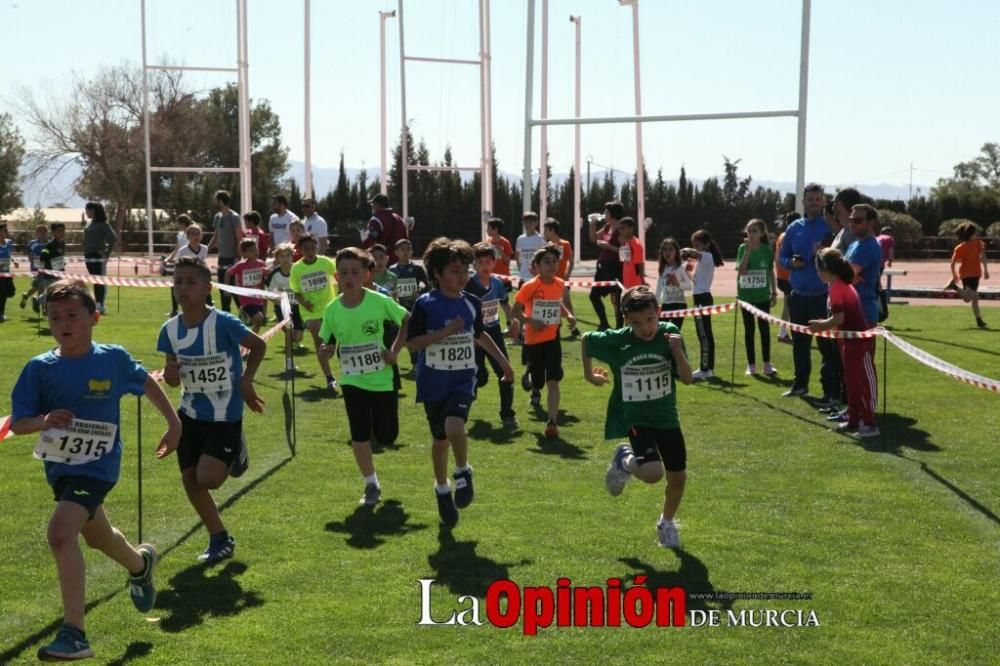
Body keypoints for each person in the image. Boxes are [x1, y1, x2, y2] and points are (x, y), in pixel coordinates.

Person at [11, 279, 181, 661]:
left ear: (94, 318)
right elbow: (19, 423)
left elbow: (145, 384)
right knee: (98, 537)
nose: (64, 324)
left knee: (60, 533)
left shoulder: (112, 359)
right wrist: (44, 421)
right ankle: (140, 564)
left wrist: (174, 424)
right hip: (61, 470)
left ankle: (75, 634)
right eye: (55, 318)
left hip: (99, 467)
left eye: (72, 315)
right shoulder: (39, 369)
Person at [158, 257, 267, 563]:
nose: (183, 288)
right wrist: (171, 375)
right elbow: (169, 374)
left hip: (225, 415)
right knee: (190, 480)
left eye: (191, 282)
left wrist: (246, 381)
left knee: (208, 478)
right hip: (189, 414)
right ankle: (219, 537)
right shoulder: (169, 330)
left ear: (207, 288)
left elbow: (258, 346)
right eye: (178, 281)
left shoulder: (223, 323)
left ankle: (236, 452)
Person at [406, 237, 513, 527]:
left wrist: (504, 362)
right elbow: (412, 345)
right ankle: (442, 490)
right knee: (440, 442)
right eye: (454, 270)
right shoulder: (425, 305)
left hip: (463, 379)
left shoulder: (472, 303)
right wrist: (444, 332)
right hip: (432, 384)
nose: (461, 275)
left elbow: (480, 335)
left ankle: (463, 471)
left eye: (464, 270)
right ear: (438, 274)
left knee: (455, 425)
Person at [583, 285, 694, 548]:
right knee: (653, 473)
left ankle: (666, 523)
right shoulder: (620, 339)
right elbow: (587, 340)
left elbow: (688, 378)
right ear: (626, 321)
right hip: (635, 418)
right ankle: (626, 460)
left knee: (678, 477)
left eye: (650, 320)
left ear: (659, 312)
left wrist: (677, 352)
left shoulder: (669, 335)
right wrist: (589, 375)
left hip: (667, 417)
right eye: (637, 323)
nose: (646, 328)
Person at [316, 247, 409, 505]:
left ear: (367, 274)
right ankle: (370, 484)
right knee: (359, 433)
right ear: (336, 276)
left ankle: (378, 436)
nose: (349, 277)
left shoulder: (379, 301)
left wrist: (394, 350)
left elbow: (406, 320)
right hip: (352, 379)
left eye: (355, 272)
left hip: (382, 379)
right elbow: (329, 340)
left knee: (388, 435)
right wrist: (326, 350)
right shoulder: (332, 309)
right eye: (344, 272)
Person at [778, 183, 841, 400]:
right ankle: (800, 385)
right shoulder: (794, 227)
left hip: (823, 296)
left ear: (823, 201)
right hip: (798, 296)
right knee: (800, 345)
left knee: (826, 346)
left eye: (818, 199)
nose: (814, 202)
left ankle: (829, 391)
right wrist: (791, 263)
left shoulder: (830, 228)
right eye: (810, 199)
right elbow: (782, 257)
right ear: (803, 201)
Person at [808, 249, 879, 439]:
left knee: (858, 383)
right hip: (848, 341)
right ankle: (854, 420)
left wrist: (821, 325)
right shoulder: (837, 285)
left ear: (826, 269)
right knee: (850, 382)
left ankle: (870, 423)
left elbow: (839, 317)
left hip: (857, 342)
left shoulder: (838, 287)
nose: (817, 273)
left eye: (818, 269)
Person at [511, 245, 576, 438]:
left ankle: (552, 422)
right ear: (537, 266)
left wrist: (569, 315)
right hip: (533, 340)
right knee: (538, 382)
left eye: (554, 261)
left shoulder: (559, 284)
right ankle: (530, 376)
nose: (551, 265)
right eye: (546, 261)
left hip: (553, 339)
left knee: (553, 381)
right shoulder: (530, 286)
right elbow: (515, 312)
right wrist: (531, 321)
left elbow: (556, 304)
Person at [465, 241, 519, 428]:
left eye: (488, 262)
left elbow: (505, 304)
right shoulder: (468, 285)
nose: (485, 266)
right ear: (474, 265)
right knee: (478, 377)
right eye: (480, 263)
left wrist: (512, 322)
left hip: (493, 331)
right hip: (473, 335)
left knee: (505, 371)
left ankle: (507, 415)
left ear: (494, 263)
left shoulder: (497, 284)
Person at [290, 233, 340, 391]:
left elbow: (339, 276)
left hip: (329, 307)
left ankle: (329, 354)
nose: (310, 251)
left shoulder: (325, 262)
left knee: (328, 349)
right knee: (319, 338)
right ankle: (329, 378)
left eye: (313, 248)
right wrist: (304, 302)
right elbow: (295, 291)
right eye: (306, 248)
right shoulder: (297, 268)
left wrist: (343, 293)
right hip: (309, 312)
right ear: (300, 249)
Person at [736, 219, 778, 376]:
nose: (751, 234)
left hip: (762, 297)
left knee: (764, 330)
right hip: (746, 297)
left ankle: (767, 364)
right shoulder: (742, 248)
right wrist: (747, 251)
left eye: (754, 231)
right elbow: (741, 271)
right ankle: (751, 365)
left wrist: (773, 293)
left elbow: (770, 272)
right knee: (749, 330)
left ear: (762, 233)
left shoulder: (767, 250)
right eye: (749, 231)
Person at [681, 229, 723, 381]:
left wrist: (686, 251)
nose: (695, 247)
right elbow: (689, 275)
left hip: (703, 298)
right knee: (703, 334)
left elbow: (695, 253)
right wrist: (686, 266)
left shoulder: (707, 256)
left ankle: (706, 368)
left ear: (706, 245)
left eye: (698, 244)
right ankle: (706, 367)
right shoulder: (698, 260)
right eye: (693, 244)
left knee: (704, 334)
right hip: (698, 297)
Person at [265, 242, 305, 372]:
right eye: (282, 256)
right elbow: (268, 294)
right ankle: (289, 362)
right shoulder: (274, 274)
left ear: (292, 256)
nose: (285, 258)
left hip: (298, 307)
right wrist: (280, 301)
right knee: (288, 332)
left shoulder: (298, 270)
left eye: (288, 255)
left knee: (298, 336)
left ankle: (294, 339)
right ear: (277, 258)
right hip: (282, 308)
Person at [844, 204, 883, 328]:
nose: (853, 223)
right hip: (848, 311)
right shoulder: (854, 245)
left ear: (871, 223)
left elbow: (845, 275)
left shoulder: (868, 246)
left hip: (862, 313)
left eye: (858, 220)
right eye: (851, 220)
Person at [206, 190, 244, 313]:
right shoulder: (217, 217)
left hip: (233, 258)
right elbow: (216, 236)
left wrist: (238, 257)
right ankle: (226, 313)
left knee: (233, 288)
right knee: (222, 287)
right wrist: (205, 250)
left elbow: (239, 238)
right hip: (221, 257)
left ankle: (244, 313)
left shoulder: (234, 217)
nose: (213, 201)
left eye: (215, 199)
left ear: (221, 201)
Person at [588, 201, 624, 330]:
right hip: (603, 267)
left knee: (617, 301)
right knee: (593, 296)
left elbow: (625, 252)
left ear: (613, 213)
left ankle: (619, 328)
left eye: (606, 212)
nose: (604, 214)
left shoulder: (621, 228)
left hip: (616, 268)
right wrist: (592, 223)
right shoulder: (607, 226)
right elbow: (593, 239)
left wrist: (608, 246)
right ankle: (604, 323)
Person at [946, 222, 990, 329]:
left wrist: (986, 270)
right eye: (975, 232)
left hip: (976, 274)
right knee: (975, 297)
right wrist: (955, 275)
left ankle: (954, 287)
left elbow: (983, 256)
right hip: (966, 275)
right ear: (971, 234)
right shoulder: (960, 247)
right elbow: (952, 263)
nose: (976, 234)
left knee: (968, 299)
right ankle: (979, 321)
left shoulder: (978, 243)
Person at [225, 238, 268, 333]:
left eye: (255, 249)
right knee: (259, 318)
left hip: (258, 298)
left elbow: (266, 278)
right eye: (251, 250)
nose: (255, 252)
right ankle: (251, 340)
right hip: (246, 299)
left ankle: (250, 340)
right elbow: (228, 273)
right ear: (244, 254)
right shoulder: (240, 266)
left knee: (257, 323)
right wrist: (226, 289)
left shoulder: (261, 264)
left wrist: (267, 272)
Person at [82, 202, 117, 315]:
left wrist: (106, 253)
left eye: (87, 210)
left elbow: (112, 238)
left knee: (99, 281)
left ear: (93, 210)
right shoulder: (90, 223)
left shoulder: (103, 224)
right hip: (88, 255)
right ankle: (97, 303)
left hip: (97, 256)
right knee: (94, 280)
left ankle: (100, 304)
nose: (86, 212)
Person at [656, 237, 692, 329]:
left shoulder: (681, 268)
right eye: (665, 249)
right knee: (661, 332)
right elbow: (659, 289)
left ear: (676, 252)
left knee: (674, 332)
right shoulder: (662, 269)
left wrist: (677, 283)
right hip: (666, 304)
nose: (667, 252)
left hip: (679, 304)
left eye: (670, 249)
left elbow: (689, 286)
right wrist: (655, 305)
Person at [774, 212, 800, 343]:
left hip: (782, 275)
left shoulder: (782, 236)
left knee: (789, 305)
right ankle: (783, 332)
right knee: (789, 305)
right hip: (788, 275)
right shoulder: (790, 236)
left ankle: (785, 331)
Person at [363, 194, 410, 263]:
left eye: (372, 204)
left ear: (376, 205)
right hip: (400, 261)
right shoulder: (399, 218)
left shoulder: (376, 219)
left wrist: (361, 250)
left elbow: (370, 241)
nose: (372, 206)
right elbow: (405, 240)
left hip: (382, 261)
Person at [38, 223, 68, 314]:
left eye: (63, 231)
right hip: (49, 275)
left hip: (60, 273)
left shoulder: (62, 243)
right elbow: (42, 256)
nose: (62, 233)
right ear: (53, 232)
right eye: (59, 231)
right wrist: (51, 261)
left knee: (58, 293)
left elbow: (61, 256)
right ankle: (39, 301)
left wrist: (62, 262)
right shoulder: (49, 245)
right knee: (53, 295)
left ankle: (41, 302)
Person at [20, 223, 49, 312]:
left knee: (36, 287)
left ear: (47, 233)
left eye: (44, 231)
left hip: (48, 270)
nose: (42, 233)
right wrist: (33, 261)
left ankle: (26, 296)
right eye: (40, 232)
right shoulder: (32, 243)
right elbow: (29, 254)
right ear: (36, 233)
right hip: (36, 270)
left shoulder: (50, 243)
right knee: (41, 287)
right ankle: (43, 308)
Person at [515, 211, 546, 287]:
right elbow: (517, 255)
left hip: (536, 278)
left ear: (536, 223)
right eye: (525, 222)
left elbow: (544, 258)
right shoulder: (520, 239)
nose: (527, 225)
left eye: (530, 222)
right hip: (523, 277)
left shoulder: (540, 239)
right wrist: (521, 269)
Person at [831, 187, 863, 255]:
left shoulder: (852, 233)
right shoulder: (846, 230)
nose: (832, 206)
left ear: (839, 203)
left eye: (834, 202)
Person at [618, 217, 645, 289]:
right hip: (627, 282)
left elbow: (640, 264)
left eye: (623, 228)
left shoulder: (636, 244)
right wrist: (622, 245)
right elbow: (624, 260)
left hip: (635, 284)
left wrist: (642, 281)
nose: (620, 230)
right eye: (620, 228)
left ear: (631, 228)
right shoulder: (625, 242)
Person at [0, 222, 15, 322]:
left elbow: (9, 254)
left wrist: (14, 260)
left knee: (10, 292)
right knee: (2, 294)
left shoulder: (9, 242)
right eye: (4, 230)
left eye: (6, 230)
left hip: (7, 273)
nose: (7, 232)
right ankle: (1, 314)